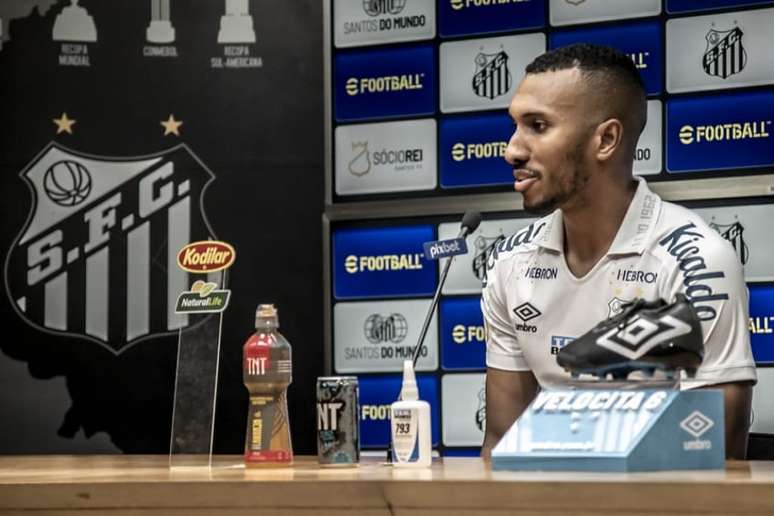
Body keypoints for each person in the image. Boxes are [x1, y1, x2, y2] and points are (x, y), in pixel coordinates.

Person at [481, 43, 757, 460]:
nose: (512, 150)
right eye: (516, 126)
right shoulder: (511, 264)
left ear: (606, 139)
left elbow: (716, 457)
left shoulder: (696, 262)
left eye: (537, 126)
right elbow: (500, 446)